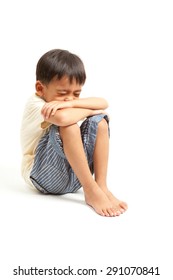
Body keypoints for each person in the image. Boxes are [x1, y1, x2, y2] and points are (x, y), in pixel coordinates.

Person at [20, 49, 127, 217]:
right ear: (40, 88)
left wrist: (73, 105)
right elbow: (63, 119)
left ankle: (101, 186)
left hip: (73, 177)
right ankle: (90, 189)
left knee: (100, 122)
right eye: (62, 94)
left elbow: (103, 103)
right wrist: (89, 109)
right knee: (69, 126)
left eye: (76, 94)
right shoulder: (35, 104)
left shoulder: (67, 103)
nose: (70, 99)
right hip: (41, 176)